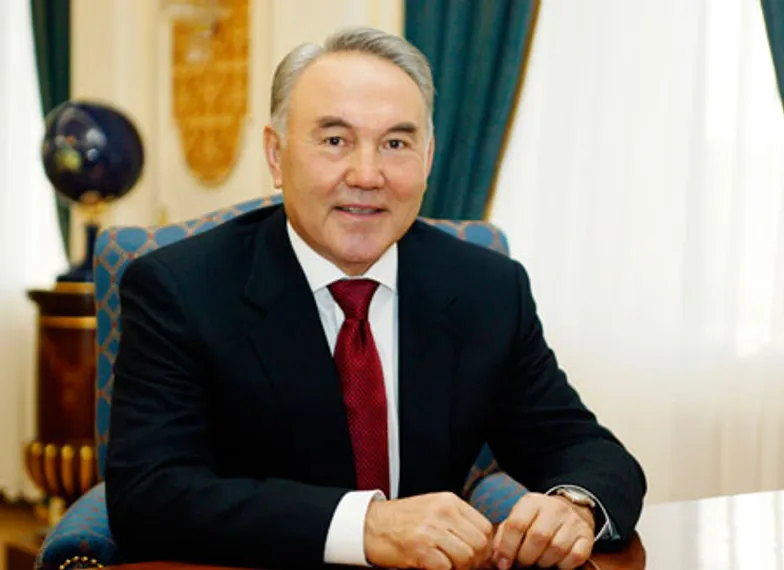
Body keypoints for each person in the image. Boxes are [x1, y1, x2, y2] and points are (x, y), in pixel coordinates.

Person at [105, 26, 646, 570]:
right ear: (276, 154)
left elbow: (586, 450)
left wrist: (573, 506)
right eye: (334, 140)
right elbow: (149, 495)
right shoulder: (180, 289)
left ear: (428, 158)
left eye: (395, 144)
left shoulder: (486, 288)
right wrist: (364, 525)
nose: (367, 176)